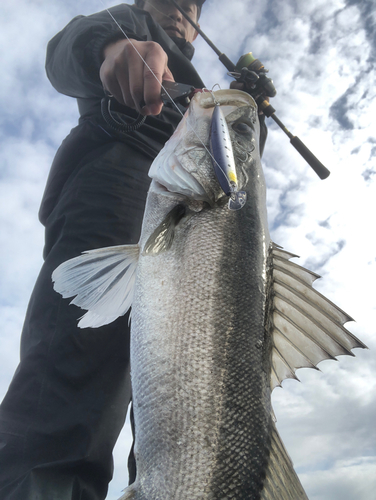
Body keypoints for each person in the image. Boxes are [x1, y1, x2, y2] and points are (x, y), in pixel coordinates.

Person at [0, 1, 267, 499]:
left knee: (188, 389)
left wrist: (249, 107)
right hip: (120, 174)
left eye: (190, 7)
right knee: (75, 360)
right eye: (167, 1)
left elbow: (236, 177)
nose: (178, 12)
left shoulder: (207, 95)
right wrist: (113, 46)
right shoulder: (128, 26)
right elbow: (66, 49)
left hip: (197, 207)